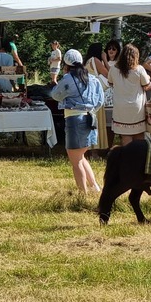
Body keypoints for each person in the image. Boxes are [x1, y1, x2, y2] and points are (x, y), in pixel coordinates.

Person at [51, 49, 105, 195]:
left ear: (66, 65)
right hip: (90, 118)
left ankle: (83, 194)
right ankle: (94, 186)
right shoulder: (93, 78)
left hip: (74, 119)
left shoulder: (68, 79)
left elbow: (55, 95)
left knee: (76, 161)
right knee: (80, 156)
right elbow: (100, 101)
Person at [109, 44, 151, 143]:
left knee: (125, 135)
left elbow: (110, 83)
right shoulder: (139, 69)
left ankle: (127, 153)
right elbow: (146, 86)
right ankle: (138, 153)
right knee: (139, 134)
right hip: (137, 106)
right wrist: (148, 78)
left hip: (120, 105)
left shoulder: (113, 69)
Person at [85, 43, 110, 153]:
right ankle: (95, 150)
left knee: (91, 121)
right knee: (97, 121)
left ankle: (89, 148)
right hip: (96, 95)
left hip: (88, 95)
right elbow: (108, 74)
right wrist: (105, 60)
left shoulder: (87, 61)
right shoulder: (95, 60)